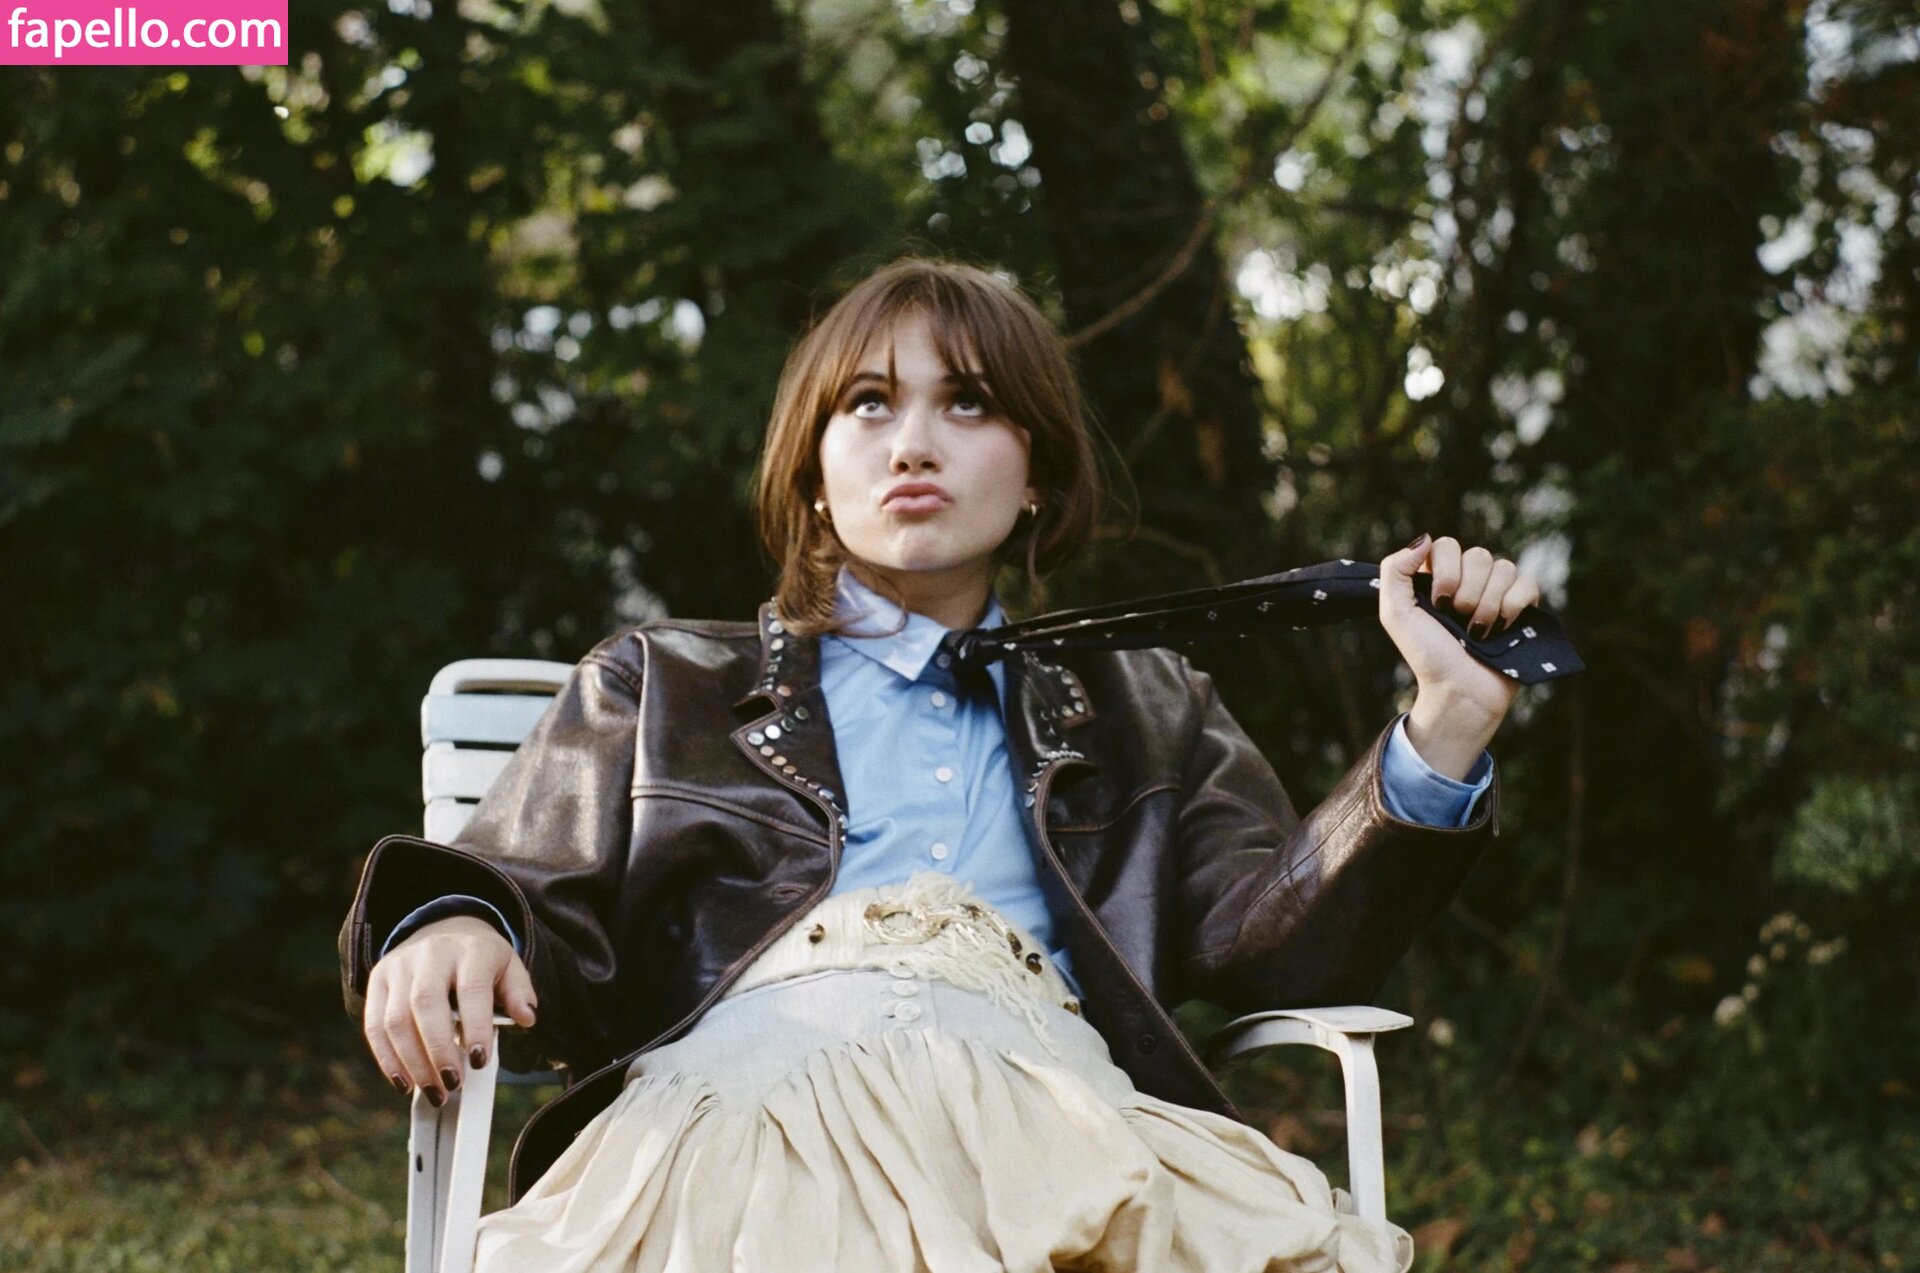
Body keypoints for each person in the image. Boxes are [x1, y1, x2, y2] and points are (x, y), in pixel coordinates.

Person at [338, 256, 1538, 1271]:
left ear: (1039, 473)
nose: (913, 443)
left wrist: (1444, 723)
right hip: (742, 1122)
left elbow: (1280, 946)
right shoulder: (661, 685)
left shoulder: (1151, 705)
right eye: (868, 404)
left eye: (968, 404)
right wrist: (453, 915)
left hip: (1055, 1132)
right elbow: (527, 889)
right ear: (814, 474)